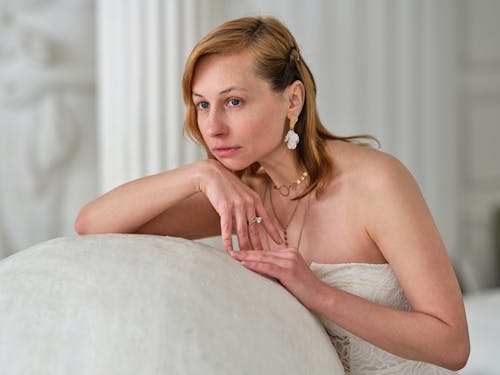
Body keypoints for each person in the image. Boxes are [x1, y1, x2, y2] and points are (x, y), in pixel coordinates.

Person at [75, 16, 469, 373]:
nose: (212, 127)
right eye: (202, 105)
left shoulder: (376, 182)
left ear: (292, 101)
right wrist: (201, 173)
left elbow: (452, 345)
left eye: (233, 102)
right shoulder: (242, 196)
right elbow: (92, 225)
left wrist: (315, 292)